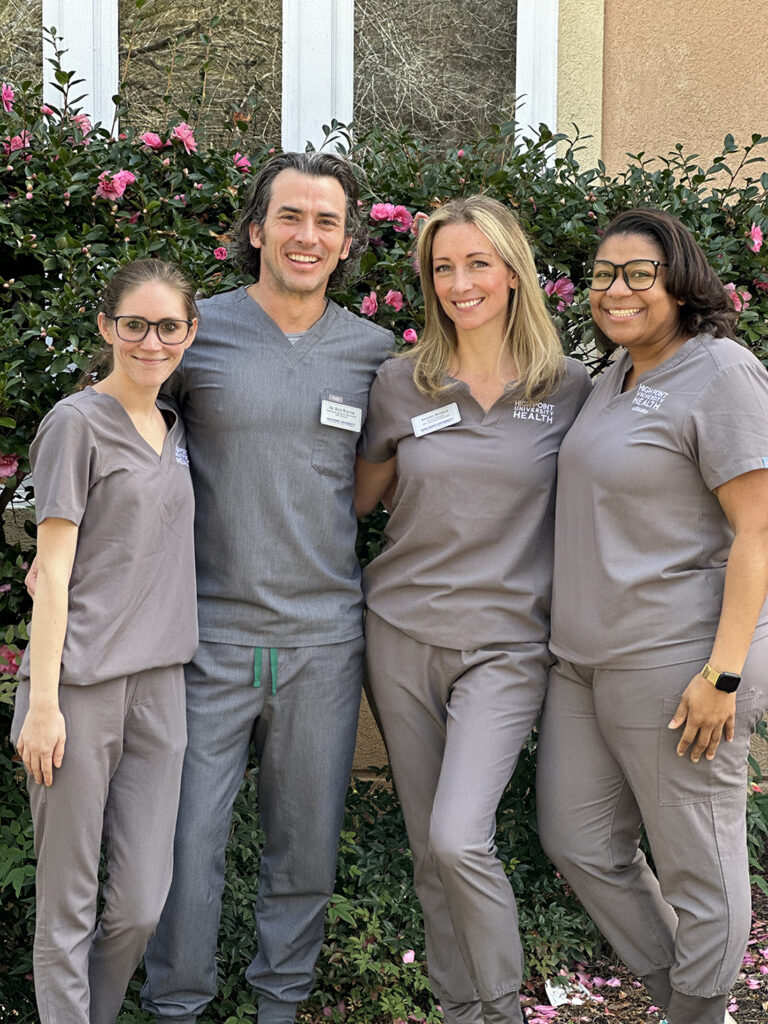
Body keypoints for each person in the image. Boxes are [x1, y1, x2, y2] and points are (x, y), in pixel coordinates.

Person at [139, 152, 393, 1024]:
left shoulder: (374, 354)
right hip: (206, 635)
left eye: (326, 221)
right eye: (290, 216)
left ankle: (278, 1005)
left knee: (305, 848)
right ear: (256, 229)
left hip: (324, 639)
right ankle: (178, 1004)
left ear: (348, 241)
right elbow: (126, 435)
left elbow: (375, 485)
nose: (306, 235)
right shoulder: (194, 332)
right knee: (187, 839)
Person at [354, 195, 592, 1024]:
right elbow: (356, 501)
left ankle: (499, 1009)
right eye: (443, 267)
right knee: (430, 849)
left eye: (477, 264)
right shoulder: (399, 382)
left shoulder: (568, 389)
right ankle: (460, 1010)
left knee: (461, 836)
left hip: (508, 647)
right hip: (402, 633)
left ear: (514, 273)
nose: (459, 283)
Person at [536, 208, 768, 1024]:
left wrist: (723, 674)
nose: (617, 288)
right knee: (577, 840)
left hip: (678, 660)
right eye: (602, 274)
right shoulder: (616, 375)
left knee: (700, 870)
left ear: (680, 281)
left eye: (639, 272)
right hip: (584, 660)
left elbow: (760, 530)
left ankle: (697, 1014)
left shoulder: (720, 371)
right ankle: (689, 1003)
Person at [11, 259, 199, 1024]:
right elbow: (50, 573)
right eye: (134, 325)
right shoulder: (75, 423)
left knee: (139, 907)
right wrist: (45, 705)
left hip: (161, 690)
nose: (150, 342)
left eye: (168, 326)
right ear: (106, 329)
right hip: (77, 690)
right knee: (68, 907)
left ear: (189, 332)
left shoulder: (177, 426)